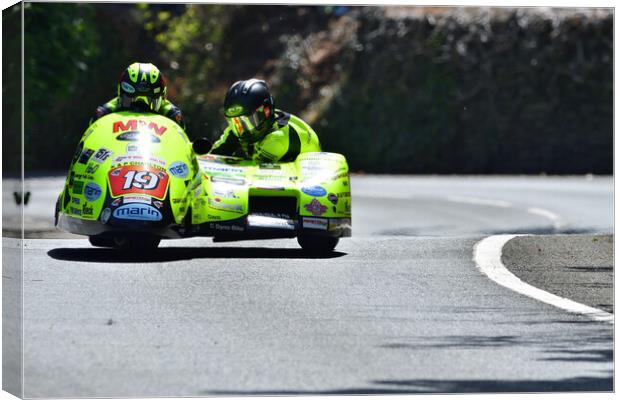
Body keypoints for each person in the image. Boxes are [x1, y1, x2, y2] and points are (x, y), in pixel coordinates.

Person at [210, 79, 321, 161]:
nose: (244, 129)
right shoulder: (239, 131)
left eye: (250, 120)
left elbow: (254, 173)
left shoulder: (277, 138)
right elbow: (213, 156)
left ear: (266, 111)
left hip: (310, 181)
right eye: (236, 122)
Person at [90, 62, 185, 129]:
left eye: (150, 102)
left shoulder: (173, 114)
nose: (139, 110)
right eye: (131, 101)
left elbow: (182, 139)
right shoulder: (103, 112)